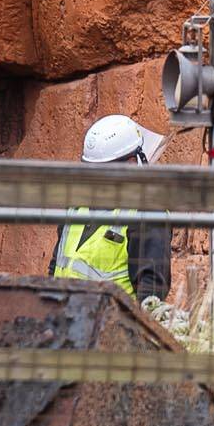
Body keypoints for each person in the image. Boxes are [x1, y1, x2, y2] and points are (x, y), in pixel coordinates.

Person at [53, 113, 174, 314]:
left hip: (111, 332)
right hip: (63, 325)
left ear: (132, 163)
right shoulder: (77, 206)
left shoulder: (147, 212)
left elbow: (151, 290)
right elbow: (56, 265)